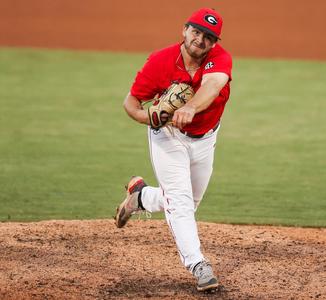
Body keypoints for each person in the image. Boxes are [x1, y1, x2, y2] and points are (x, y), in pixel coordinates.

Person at [114, 7, 232, 292]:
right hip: (168, 136)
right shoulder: (160, 61)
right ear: (184, 30)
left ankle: (141, 198)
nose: (200, 40)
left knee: (188, 203)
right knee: (179, 202)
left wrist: (190, 107)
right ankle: (198, 266)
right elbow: (131, 104)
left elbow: (213, 85)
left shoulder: (220, 59)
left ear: (214, 43)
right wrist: (149, 116)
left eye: (208, 37)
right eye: (196, 32)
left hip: (205, 139)